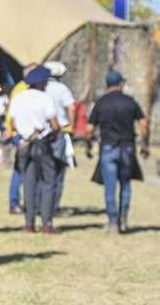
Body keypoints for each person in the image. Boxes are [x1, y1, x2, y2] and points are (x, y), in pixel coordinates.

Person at [88, 69, 147, 235]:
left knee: (110, 186)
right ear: (121, 84)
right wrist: (145, 144)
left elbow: (89, 128)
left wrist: (88, 144)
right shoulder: (130, 102)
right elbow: (143, 124)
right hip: (127, 147)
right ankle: (123, 219)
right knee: (125, 184)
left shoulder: (100, 103)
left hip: (108, 147)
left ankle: (112, 223)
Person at [8, 65, 60, 233]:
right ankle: (46, 222)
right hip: (41, 142)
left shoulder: (18, 98)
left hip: (24, 144)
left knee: (28, 183)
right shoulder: (45, 98)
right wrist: (53, 134)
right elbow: (54, 124)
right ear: (41, 83)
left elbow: (13, 123)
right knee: (48, 182)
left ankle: (29, 223)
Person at [4, 63, 38, 214]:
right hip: (23, 134)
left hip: (21, 133)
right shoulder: (22, 90)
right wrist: (14, 134)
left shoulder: (20, 88)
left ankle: (20, 202)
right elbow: (13, 115)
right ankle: (17, 202)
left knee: (21, 168)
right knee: (22, 169)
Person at [44, 61, 77, 215]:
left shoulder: (39, 88)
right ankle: (53, 206)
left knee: (42, 171)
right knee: (58, 171)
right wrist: (71, 126)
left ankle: (40, 205)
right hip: (59, 133)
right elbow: (71, 107)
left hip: (41, 133)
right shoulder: (62, 88)